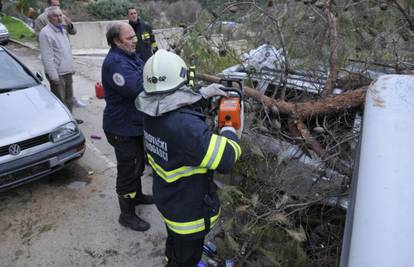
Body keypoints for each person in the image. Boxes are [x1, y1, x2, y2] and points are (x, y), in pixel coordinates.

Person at [135, 49, 243, 267]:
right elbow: (227, 157)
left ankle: (170, 260)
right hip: (189, 214)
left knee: (174, 243)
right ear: (182, 77)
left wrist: (203, 95)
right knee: (187, 258)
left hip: (168, 199)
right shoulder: (187, 129)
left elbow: (172, 105)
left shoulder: (150, 113)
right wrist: (230, 129)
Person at [102, 22, 154, 232]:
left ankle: (138, 196)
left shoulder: (130, 56)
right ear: (116, 41)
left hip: (134, 124)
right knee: (128, 172)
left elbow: (146, 74)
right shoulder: (115, 63)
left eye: (134, 37)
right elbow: (138, 89)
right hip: (122, 128)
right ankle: (127, 214)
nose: (135, 41)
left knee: (137, 165)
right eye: (129, 38)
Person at [39, 6, 75, 112]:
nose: (59, 18)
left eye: (60, 15)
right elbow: (47, 57)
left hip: (67, 71)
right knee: (60, 101)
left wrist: (71, 68)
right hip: (57, 73)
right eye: (55, 16)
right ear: (49, 18)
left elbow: (65, 51)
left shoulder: (62, 30)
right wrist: (53, 76)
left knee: (69, 99)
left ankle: (70, 119)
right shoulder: (45, 33)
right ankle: (63, 123)